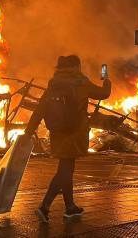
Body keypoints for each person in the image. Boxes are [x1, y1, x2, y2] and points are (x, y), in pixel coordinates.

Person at [24, 55, 111, 223]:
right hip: (74, 133)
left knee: (66, 169)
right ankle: (44, 207)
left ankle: (70, 207)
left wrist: (28, 132)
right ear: (76, 66)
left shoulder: (54, 84)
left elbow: (40, 110)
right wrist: (106, 79)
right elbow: (104, 93)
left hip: (57, 133)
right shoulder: (80, 82)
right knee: (65, 170)